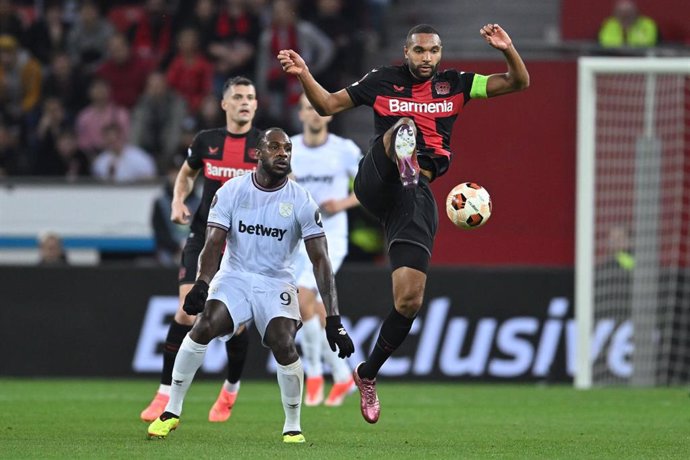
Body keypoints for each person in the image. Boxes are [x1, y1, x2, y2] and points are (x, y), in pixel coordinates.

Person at [277, 23, 529, 423]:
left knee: (409, 300)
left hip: (416, 194)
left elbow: (518, 82)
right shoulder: (382, 81)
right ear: (406, 52)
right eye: (419, 51)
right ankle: (406, 164)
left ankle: (367, 373)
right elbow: (326, 105)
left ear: (440, 53)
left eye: (433, 51)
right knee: (404, 127)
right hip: (379, 178)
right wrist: (304, 73)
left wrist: (508, 48)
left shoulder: (456, 85)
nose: (427, 58)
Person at [147, 127, 355, 443]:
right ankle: (171, 411)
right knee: (203, 326)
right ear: (257, 154)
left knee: (283, 342)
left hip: (276, 281)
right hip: (235, 277)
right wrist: (202, 283)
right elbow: (213, 244)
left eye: (287, 148)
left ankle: (293, 425)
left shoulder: (301, 200)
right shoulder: (231, 191)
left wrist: (335, 319)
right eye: (274, 147)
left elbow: (321, 262)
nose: (283, 153)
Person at [140, 76, 262, 424]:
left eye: (250, 97)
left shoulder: (264, 144)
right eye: (237, 97)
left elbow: (285, 186)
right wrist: (178, 200)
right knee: (185, 311)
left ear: (256, 105)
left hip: (243, 245)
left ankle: (230, 390)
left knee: (232, 326)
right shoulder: (207, 141)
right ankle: (163, 394)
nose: (244, 102)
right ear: (224, 104)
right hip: (202, 237)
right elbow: (186, 174)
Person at [290, 93, 361, 406]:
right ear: (301, 114)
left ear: (329, 115)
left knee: (302, 299)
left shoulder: (344, 150)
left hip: (332, 236)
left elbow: (367, 187)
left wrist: (342, 202)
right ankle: (344, 376)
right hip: (297, 238)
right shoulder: (289, 148)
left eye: (320, 109)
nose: (315, 114)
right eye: (309, 109)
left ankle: (315, 373)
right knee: (315, 309)